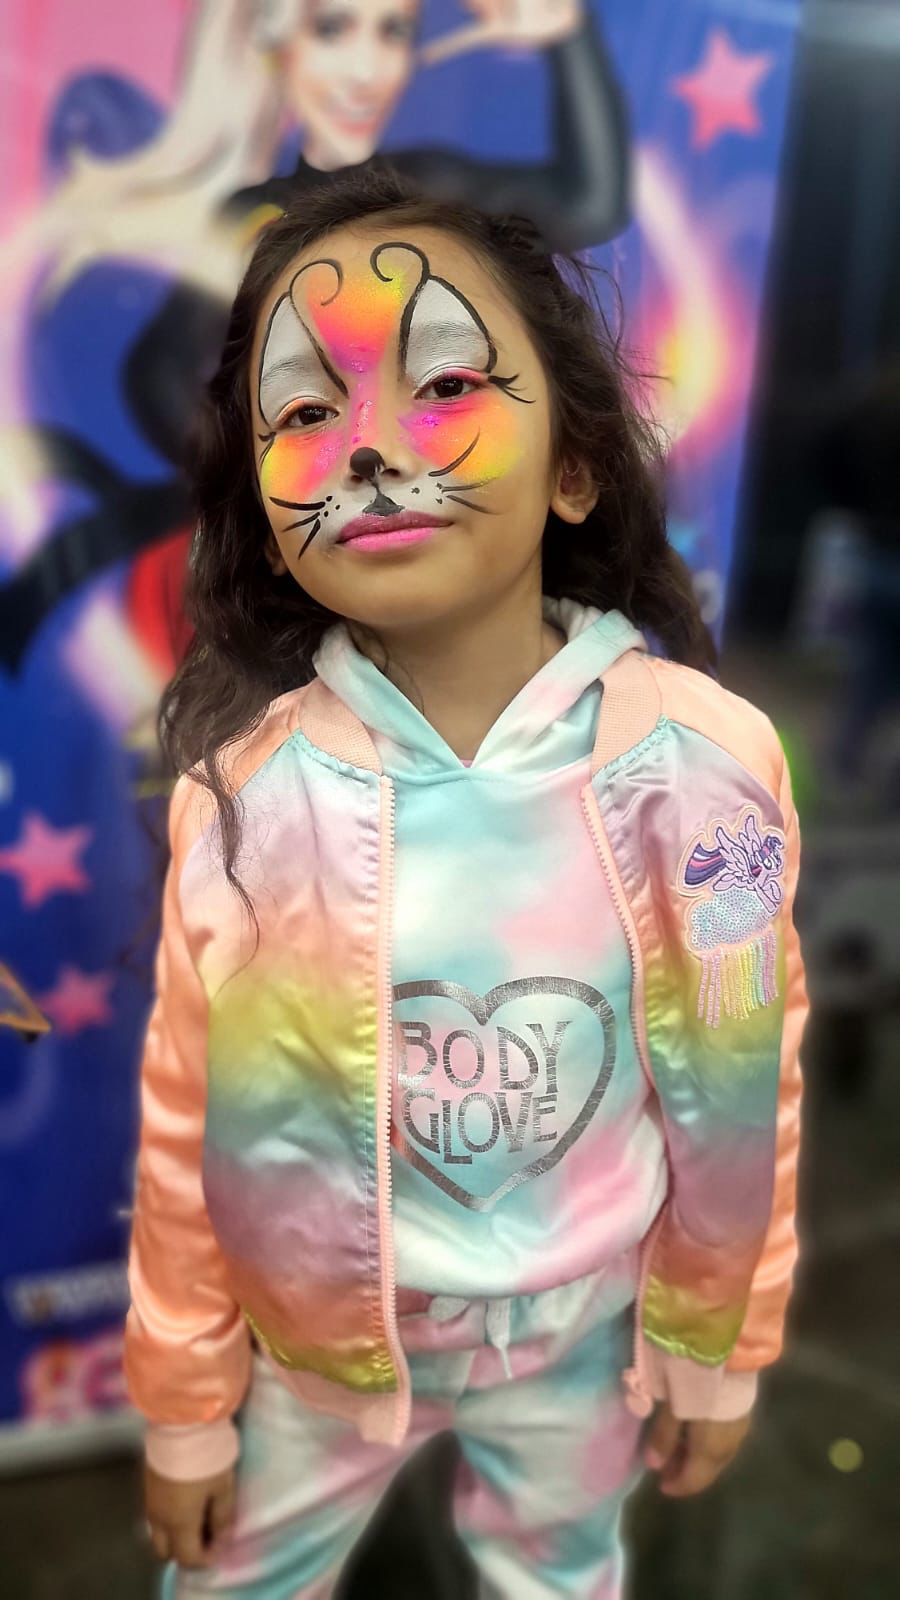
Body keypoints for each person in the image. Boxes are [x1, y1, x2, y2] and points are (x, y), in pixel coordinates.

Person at [125, 169, 807, 1598]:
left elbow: (747, 1082)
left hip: (585, 1345)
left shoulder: (704, 770)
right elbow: (186, 1125)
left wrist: (717, 1343)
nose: (371, 450)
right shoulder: (245, 801)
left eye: (442, 385)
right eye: (306, 413)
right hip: (311, 1361)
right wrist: (186, 1407)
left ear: (575, 467)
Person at [1, 0, 628, 673]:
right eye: (332, 30)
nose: (365, 69)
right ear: (278, 46)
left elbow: (591, 203)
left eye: (392, 32)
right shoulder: (251, 221)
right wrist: (269, 486)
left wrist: (568, 39)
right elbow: (157, 371)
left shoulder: (437, 191)